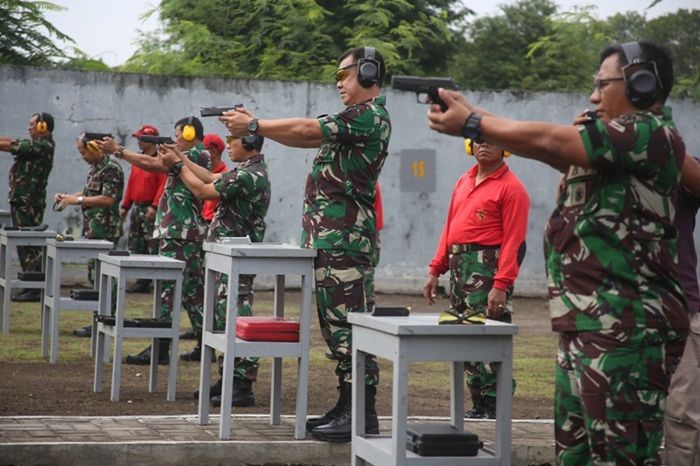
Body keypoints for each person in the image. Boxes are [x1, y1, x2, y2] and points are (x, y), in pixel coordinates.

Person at [425, 40, 700, 464]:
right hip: (588, 323)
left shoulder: (650, 133)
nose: (593, 96)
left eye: (602, 84)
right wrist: (471, 112)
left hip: (626, 330)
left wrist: (474, 122)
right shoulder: (610, 146)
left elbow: (552, 141)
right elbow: (543, 147)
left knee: (618, 456)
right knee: (576, 455)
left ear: (642, 84)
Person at [220, 46, 390, 442]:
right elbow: (303, 138)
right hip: (333, 241)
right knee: (336, 329)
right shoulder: (353, 120)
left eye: (344, 74)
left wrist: (256, 125)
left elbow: (307, 130)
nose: (338, 81)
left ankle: (362, 412)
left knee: (350, 329)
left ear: (367, 73)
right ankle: (348, 405)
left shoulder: (368, 116)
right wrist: (257, 128)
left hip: (345, 242)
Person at [159, 132, 270, 408]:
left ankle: (242, 382)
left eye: (233, 140)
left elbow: (202, 191)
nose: (228, 145)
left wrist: (177, 166)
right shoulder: (244, 171)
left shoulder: (250, 175)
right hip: (227, 254)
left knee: (235, 311)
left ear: (250, 144)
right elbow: (210, 177)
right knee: (222, 314)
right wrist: (182, 157)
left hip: (238, 255)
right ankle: (229, 375)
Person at [423, 139, 529, 419]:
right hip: (460, 265)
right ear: (470, 145)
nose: (485, 146)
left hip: (488, 267)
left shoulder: (512, 188)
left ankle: (495, 404)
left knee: (490, 335)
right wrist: (436, 269)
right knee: (464, 333)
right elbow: (449, 228)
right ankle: (479, 402)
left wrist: (501, 284)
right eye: (479, 140)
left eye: (493, 141)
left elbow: (514, 242)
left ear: (506, 147)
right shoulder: (463, 180)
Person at [97, 116, 211, 365]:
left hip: (181, 232)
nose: (177, 137)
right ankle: (206, 345)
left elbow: (150, 163)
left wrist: (118, 150)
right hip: (180, 232)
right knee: (192, 292)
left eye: (179, 133)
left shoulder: (198, 155)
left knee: (170, 291)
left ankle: (161, 348)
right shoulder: (187, 156)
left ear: (191, 134)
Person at [54, 133, 124, 329]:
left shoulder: (111, 169)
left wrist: (77, 200)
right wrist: (68, 197)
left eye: (83, 152)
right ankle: (99, 320)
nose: (82, 156)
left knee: (107, 279)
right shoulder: (96, 169)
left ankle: (107, 320)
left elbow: (108, 199)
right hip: (94, 229)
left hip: (106, 230)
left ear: (94, 148)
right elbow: (89, 194)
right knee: (95, 277)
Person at [664, 161, 700, 465]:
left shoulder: (678, 168)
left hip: (681, 310)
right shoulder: (605, 170)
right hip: (620, 317)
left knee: (682, 417)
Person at [0, 112, 55, 302]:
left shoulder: (42, 145)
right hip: (23, 200)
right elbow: (11, 141)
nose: (29, 127)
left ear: (42, 126)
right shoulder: (37, 144)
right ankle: (30, 284)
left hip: (29, 202)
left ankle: (35, 287)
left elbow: (10, 145)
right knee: (24, 245)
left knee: (30, 245)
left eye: (32, 124)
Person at [119, 124, 167, 294]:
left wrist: (155, 206)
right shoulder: (137, 160)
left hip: (150, 208)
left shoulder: (159, 161)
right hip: (137, 208)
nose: (138, 141)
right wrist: (125, 206)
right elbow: (131, 183)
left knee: (151, 244)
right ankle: (142, 280)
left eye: (141, 138)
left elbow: (163, 185)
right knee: (136, 243)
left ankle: (155, 278)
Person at [363, 182, 383, 313]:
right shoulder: (370, 177)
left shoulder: (367, 178)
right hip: (369, 228)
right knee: (368, 269)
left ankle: (369, 304)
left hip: (368, 229)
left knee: (368, 269)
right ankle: (369, 304)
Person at [200, 134, 229, 223]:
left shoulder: (224, 176)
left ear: (212, 152)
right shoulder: (202, 173)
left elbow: (209, 216)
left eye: (201, 151)